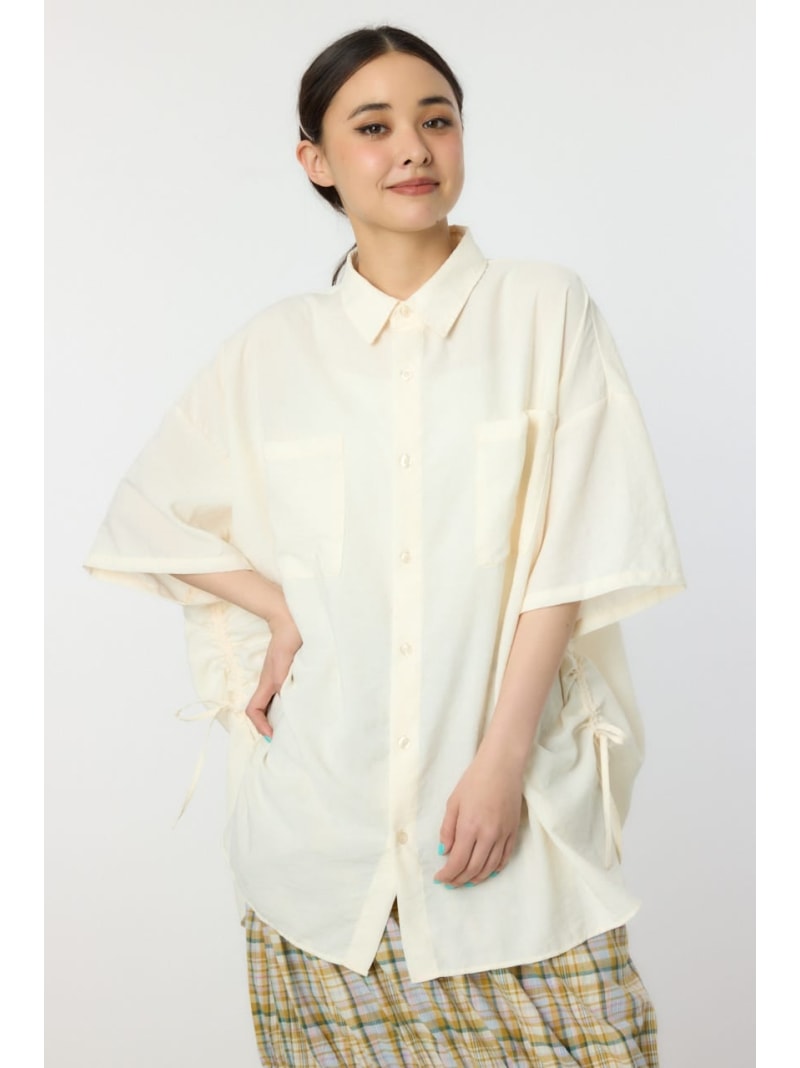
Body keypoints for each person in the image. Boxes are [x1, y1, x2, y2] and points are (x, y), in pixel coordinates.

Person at [85, 23, 684, 1068]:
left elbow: (575, 550)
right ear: (315, 160)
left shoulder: (544, 310)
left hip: (504, 826)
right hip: (320, 859)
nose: (412, 147)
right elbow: (145, 516)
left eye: (435, 120)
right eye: (372, 127)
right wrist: (278, 606)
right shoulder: (275, 349)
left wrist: (500, 762)